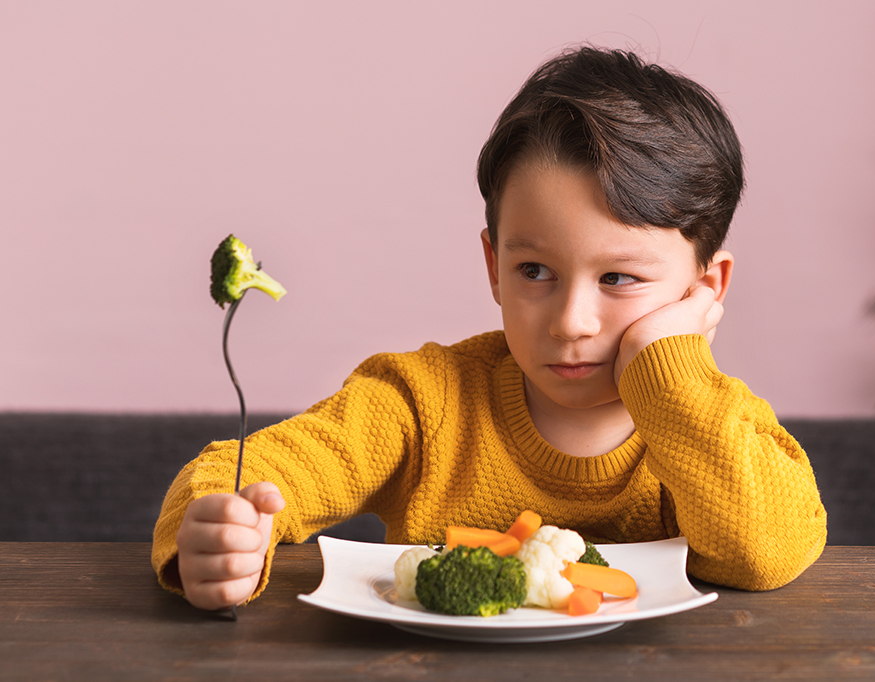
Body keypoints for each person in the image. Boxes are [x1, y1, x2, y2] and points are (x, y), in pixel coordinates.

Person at [153, 46, 827, 611]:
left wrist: (669, 370)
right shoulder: (421, 401)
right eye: (535, 270)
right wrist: (216, 535)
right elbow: (247, 470)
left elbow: (768, 553)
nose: (571, 322)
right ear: (493, 264)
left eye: (619, 279)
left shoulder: (713, 424)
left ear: (703, 289)